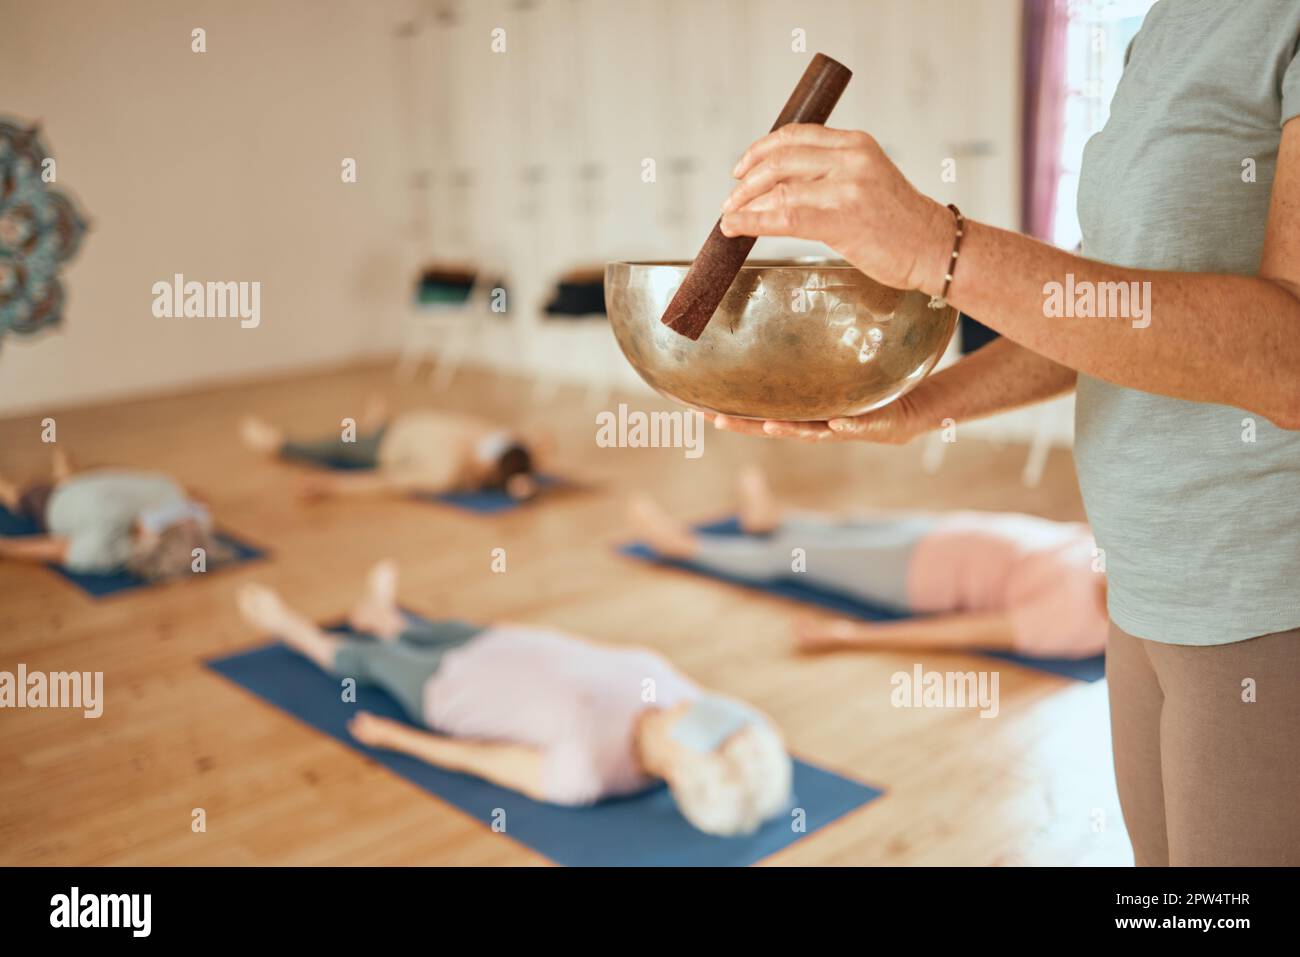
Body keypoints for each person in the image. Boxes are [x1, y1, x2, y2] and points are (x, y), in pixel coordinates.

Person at [707, 2, 1300, 865]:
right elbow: (1101, 310)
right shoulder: (1166, 25)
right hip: (1139, 585)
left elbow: (1288, 357)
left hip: (1259, 597)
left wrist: (935, 246)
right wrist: (919, 407)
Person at [235, 562, 793, 836]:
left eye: (705, 722)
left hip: (446, 691)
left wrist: (394, 738)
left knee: (368, 660)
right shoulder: (684, 701)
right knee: (417, 627)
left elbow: (481, 760)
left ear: (678, 768)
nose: (703, 706)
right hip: (497, 642)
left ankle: (291, 627)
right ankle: (381, 615)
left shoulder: (587, 774)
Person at [629, 467, 1105, 660]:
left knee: (792, 559)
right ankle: (770, 518)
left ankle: (685, 548)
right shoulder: (1117, 557)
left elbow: (964, 630)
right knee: (843, 524)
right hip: (946, 530)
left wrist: (852, 636)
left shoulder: (1071, 627)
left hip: (915, 575)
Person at [241, 396, 541, 501]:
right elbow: (533, 442)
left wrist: (331, 486)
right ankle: (379, 419)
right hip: (404, 423)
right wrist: (521, 479)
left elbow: (387, 483)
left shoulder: (443, 474)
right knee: (365, 428)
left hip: (382, 445)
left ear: (488, 469)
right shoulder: (492, 441)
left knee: (335, 444)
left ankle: (280, 444)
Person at [0, 448, 233, 580]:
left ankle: (60, 475)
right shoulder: (170, 494)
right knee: (68, 481)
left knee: (18, 498)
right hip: (90, 484)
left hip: (58, 500)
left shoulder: (108, 546)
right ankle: (66, 472)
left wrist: (8, 548)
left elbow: (58, 548)